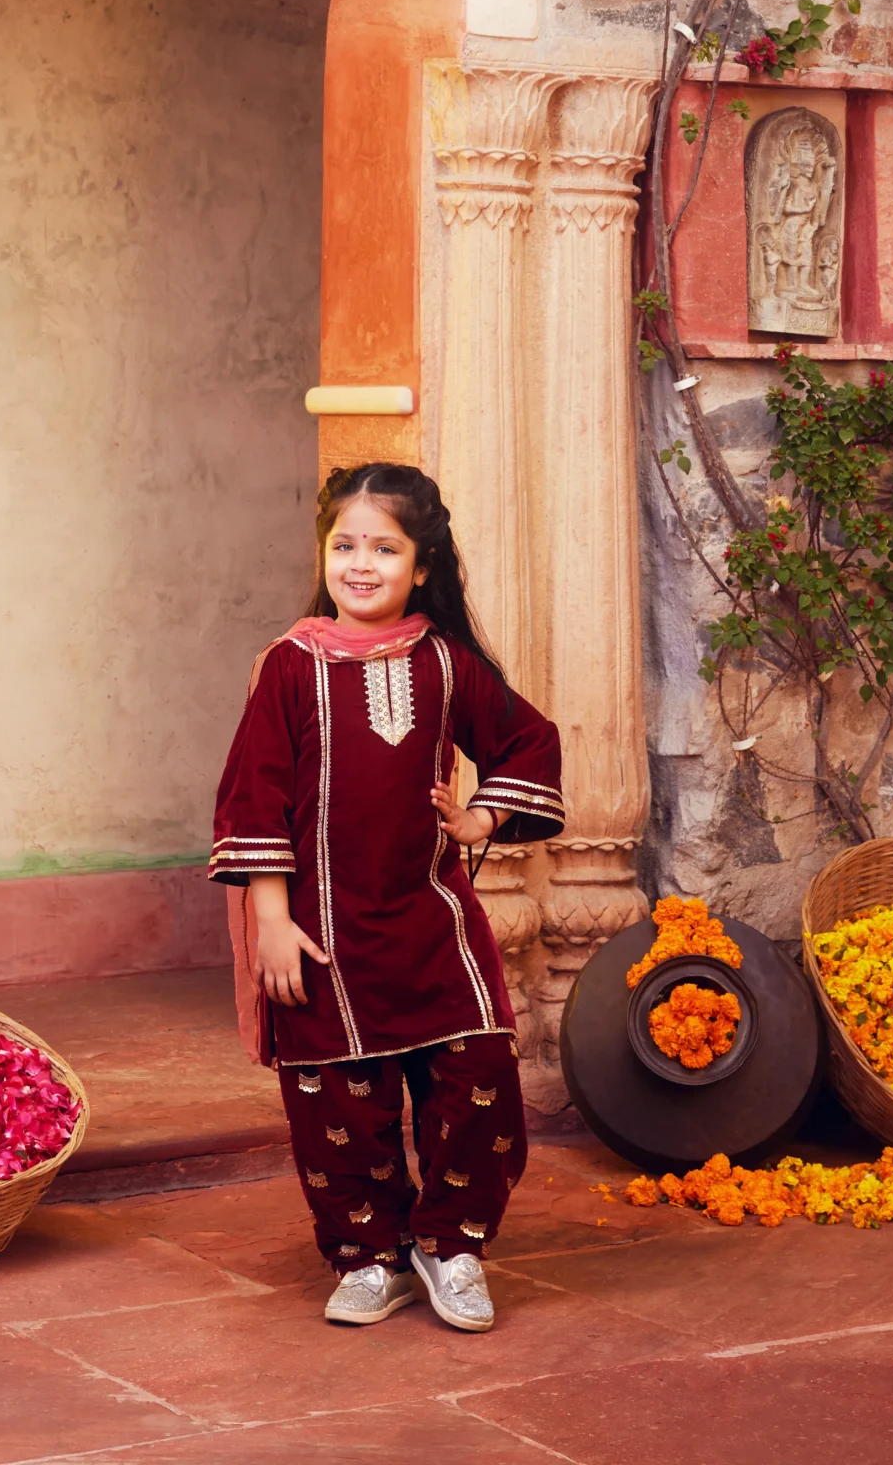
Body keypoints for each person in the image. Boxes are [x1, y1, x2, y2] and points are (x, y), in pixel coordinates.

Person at [209, 462, 563, 1334]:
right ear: (324, 553)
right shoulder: (290, 667)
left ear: (423, 566)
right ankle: (369, 1257)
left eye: (384, 547)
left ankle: (453, 1248)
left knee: (478, 1076)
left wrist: (482, 818)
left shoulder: (446, 664)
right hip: (320, 934)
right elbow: (254, 798)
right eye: (345, 545)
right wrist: (272, 927)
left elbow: (528, 741)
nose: (360, 564)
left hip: (432, 921)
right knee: (339, 1106)